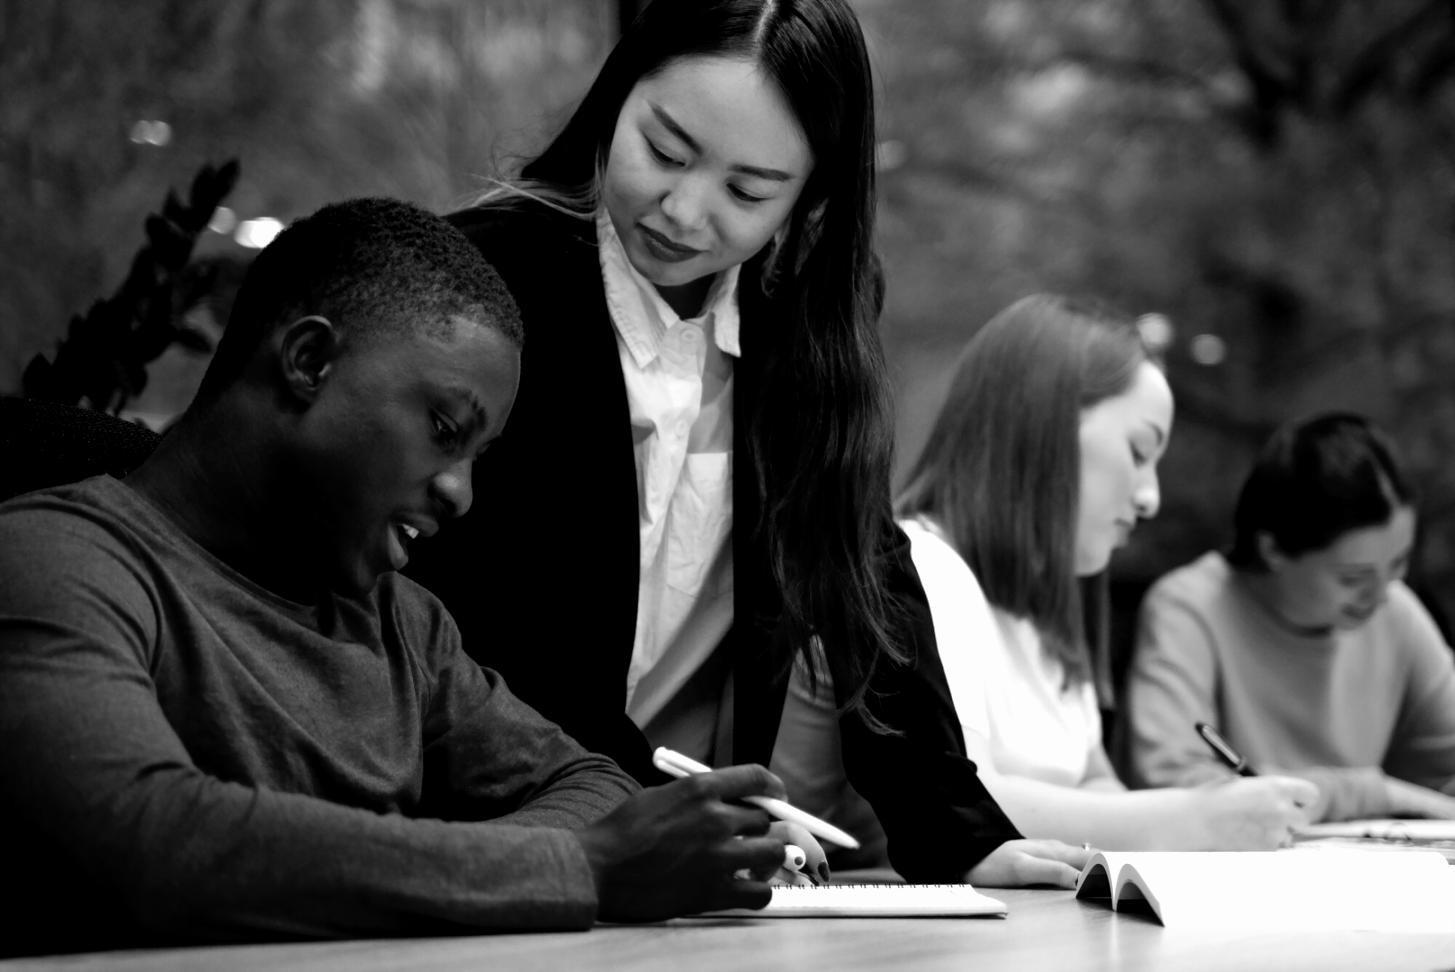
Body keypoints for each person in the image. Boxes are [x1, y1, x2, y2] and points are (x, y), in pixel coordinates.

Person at [0, 198, 805, 957]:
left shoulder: (401, 625)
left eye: (474, 458)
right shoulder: (58, 561)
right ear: (308, 361)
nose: (459, 493)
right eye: (444, 431)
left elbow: (587, 779)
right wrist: (578, 869)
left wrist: (541, 862)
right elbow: (151, 841)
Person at [408, 0, 1083, 886]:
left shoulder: (799, 309)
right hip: (473, 819)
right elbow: (464, 612)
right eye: (665, 149)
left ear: (811, 198)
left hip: (681, 852)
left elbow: (860, 566)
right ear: (616, 97)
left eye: (747, 191)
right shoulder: (484, 278)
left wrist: (959, 832)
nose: (684, 212)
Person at [891, 294, 1317, 850]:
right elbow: (960, 802)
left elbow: (1094, 781)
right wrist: (1193, 818)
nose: (1150, 499)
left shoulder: (1047, 600)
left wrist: (1211, 816)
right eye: (1139, 452)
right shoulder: (923, 566)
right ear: (1042, 428)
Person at [1124, 412, 1455, 822]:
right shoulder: (1189, 609)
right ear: (1273, 549)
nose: (1381, 594)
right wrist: (1371, 794)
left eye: (1399, 564)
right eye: (1353, 578)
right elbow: (1168, 784)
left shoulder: (1397, 612)